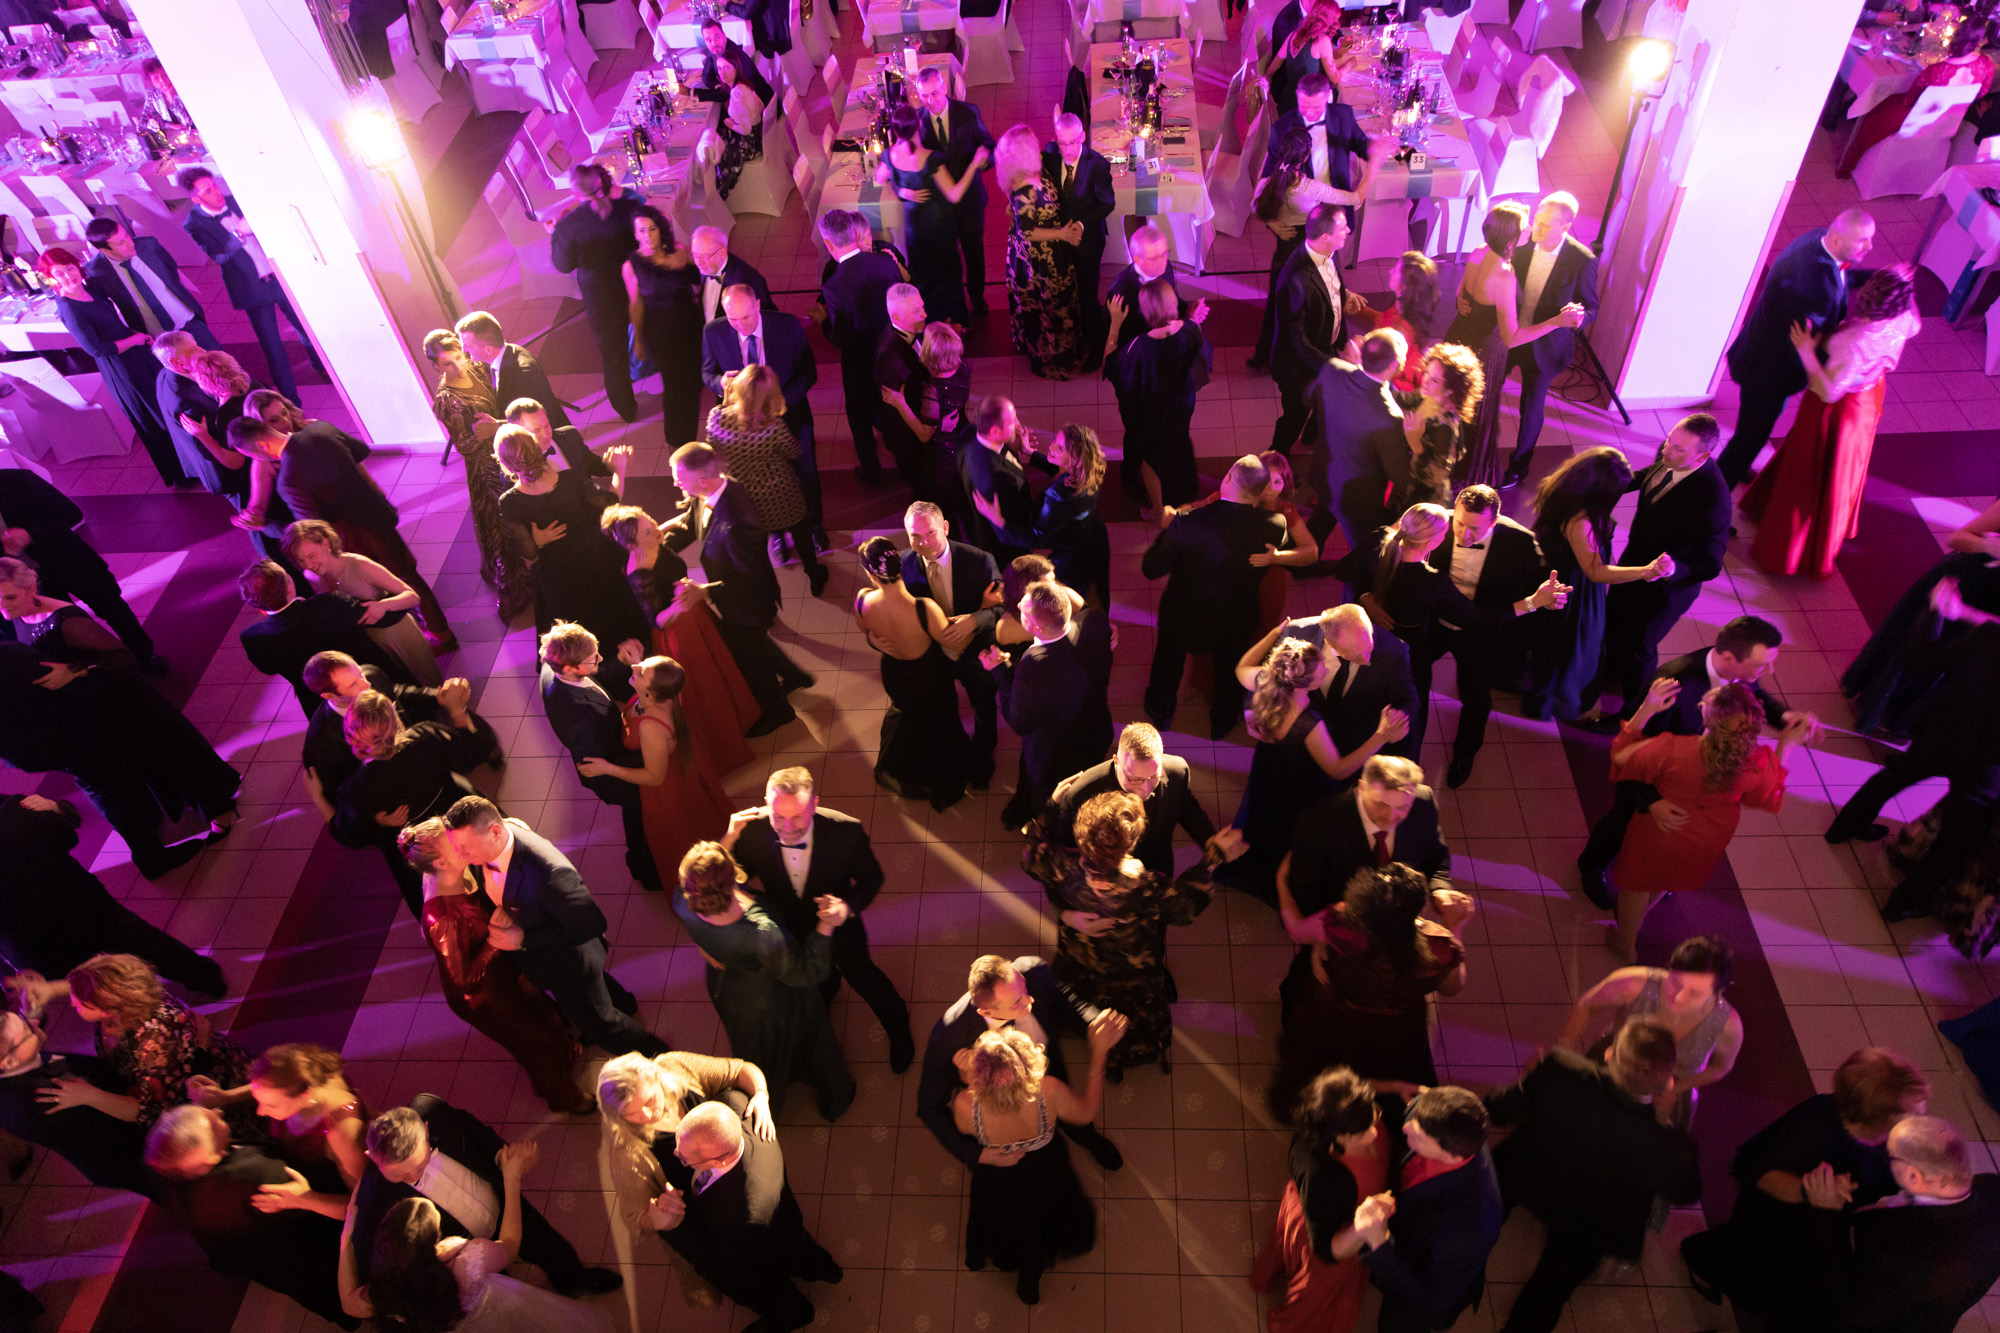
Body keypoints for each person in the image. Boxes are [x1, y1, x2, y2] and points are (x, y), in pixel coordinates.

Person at [0, 559, 245, 876]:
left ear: (31, 588)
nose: (3, 607)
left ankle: (220, 811)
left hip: (126, 705)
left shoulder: (65, 621)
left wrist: (75, 671)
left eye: (9, 597)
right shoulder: (21, 617)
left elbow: (121, 657)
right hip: (99, 709)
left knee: (172, 755)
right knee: (151, 764)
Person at [1680, 1046, 1930, 1323]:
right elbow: (1759, 1172)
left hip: (1817, 1222)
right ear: (1878, 1117)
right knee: (1752, 1265)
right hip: (1780, 1221)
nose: (1922, 1119)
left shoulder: (1887, 1137)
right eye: (1913, 1114)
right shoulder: (1814, 1127)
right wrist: (1811, 1192)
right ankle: (1704, 1267)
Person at [1483, 1019, 1702, 1333]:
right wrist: (1662, 1119)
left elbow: (1497, 1109)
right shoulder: (1667, 1147)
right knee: (1551, 1288)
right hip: (1589, 1223)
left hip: (1528, 1177)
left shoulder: (1560, 1070)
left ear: (1610, 1054)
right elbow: (1687, 1192)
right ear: (1666, 1083)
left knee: (1485, 1214)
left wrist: (1532, 1077)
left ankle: (1465, 1260)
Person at [1575, 614, 1800, 908]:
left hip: (1692, 771)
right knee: (1621, 820)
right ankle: (1591, 866)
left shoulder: (1739, 673)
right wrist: (1651, 800)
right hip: (1657, 771)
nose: (1769, 671)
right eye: (1761, 665)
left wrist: (1783, 717)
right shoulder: (1673, 683)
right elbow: (1636, 752)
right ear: (1729, 658)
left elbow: (1754, 693)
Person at [1026, 792, 1242, 1075]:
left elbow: (1030, 853)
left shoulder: (1059, 862)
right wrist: (1213, 858)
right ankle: (1126, 1050)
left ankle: (1086, 1031)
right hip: (1129, 962)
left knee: (1081, 993)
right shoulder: (1140, 884)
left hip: (1079, 950)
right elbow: (1185, 907)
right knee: (1134, 1006)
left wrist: (1052, 806)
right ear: (1130, 843)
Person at [1335, 504, 1570, 753]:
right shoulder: (1432, 582)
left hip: (1378, 642)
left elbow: (1344, 568)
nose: (1461, 534)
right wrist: (1533, 602)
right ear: (1434, 542)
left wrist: (1366, 597)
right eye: (1454, 526)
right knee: (1410, 716)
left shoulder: (1381, 541)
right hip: (1413, 652)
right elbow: (1478, 618)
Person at [723, 766, 914, 1071]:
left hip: (840, 928)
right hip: (790, 925)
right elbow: (733, 875)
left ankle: (898, 1027)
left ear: (814, 804)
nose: (787, 829)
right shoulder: (752, 829)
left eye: (797, 817)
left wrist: (846, 908)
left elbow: (871, 878)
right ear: (767, 804)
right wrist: (728, 840)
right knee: (812, 980)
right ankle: (827, 986)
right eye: (778, 817)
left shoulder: (846, 832)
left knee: (865, 978)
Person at [443, 797, 665, 1059]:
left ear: (494, 832)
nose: (460, 855)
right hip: (551, 955)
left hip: (571, 962)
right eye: (456, 847)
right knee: (600, 997)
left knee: (603, 1026)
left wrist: (523, 940)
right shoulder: (499, 836)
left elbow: (590, 926)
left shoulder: (550, 874)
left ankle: (660, 1057)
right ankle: (624, 1004)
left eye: (465, 847)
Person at [226, 403, 457, 652]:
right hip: (377, 517)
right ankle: (441, 632)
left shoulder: (289, 479)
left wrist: (264, 526)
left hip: (353, 540)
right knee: (408, 576)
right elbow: (361, 450)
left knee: (379, 589)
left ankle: (421, 635)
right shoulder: (321, 429)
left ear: (261, 446)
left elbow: (311, 530)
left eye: (252, 455)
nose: (256, 460)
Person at [396, 820, 590, 1115]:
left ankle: (562, 1058)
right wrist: (495, 939)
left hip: (498, 970)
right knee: (532, 1043)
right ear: (440, 862)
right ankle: (566, 1098)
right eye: (456, 843)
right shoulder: (442, 919)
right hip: (483, 996)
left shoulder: (456, 872)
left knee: (543, 1016)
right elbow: (463, 982)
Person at [1825, 604, 2000, 925]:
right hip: (1985, 769)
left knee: (1893, 778)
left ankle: (1846, 826)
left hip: (1940, 734)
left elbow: (1923, 660)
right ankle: (1905, 903)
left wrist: (1932, 613)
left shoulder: (1991, 634)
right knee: (1955, 840)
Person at [1744, 265, 1921, 579]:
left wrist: (1806, 351)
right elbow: (1916, 326)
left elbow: (1828, 391)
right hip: (1867, 401)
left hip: (1837, 408)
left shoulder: (1852, 341)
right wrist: (1902, 286)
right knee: (1840, 470)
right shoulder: (1902, 319)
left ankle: (1788, 548)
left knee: (1809, 467)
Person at [1606, 679, 1803, 959]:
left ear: (1709, 719)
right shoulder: (1756, 762)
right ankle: (1638, 920)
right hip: (1708, 837)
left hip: (1661, 830)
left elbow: (1621, 758)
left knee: (1637, 884)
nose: (1700, 703)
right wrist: (1786, 745)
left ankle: (1625, 944)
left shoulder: (1672, 748)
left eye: (1704, 704)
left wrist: (1646, 710)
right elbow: (1766, 798)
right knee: (1666, 878)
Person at [346, 1097, 622, 1295]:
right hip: (465, 1254)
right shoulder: (374, 1199)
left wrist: (504, 1157)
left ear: (427, 1130)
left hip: (503, 1203)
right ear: (372, 1157)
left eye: (420, 1164)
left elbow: (474, 1131)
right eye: (400, 1175)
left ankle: (576, 1280)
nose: (413, 1176)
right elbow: (371, 1261)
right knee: (506, 1294)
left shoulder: (431, 1108)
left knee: (552, 1247)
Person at [1221, 634, 1410, 904]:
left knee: (1265, 817)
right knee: (1291, 831)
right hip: (1298, 780)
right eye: (1320, 670)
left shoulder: (1266, 680)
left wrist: (1273, 635)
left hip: (1269, 769)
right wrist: (1381, 736)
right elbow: (1338, 770)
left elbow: (1241, 667)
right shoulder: (1307, 724)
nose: (1325, 669)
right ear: (1302, 687)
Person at [674, 841, 855, 1121]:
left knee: (759, 1051)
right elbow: (804, 971)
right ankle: (836, 1097)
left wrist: (703, 946)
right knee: (810, 1038)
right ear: (731, 879)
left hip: (732, 990)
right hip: (773, 996)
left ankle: (768, 1101)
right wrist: (827, 924)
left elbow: (700, 915)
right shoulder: (761, 933)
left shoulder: (685, 900)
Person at [1270, 864, 1470, 1114]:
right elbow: (1453, 987)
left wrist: (1281, 882)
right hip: (1395, 1031)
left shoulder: (1341, 922)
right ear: (1418, 910)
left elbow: (1297, 930)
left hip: (1334, 1016)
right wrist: (1453, 924)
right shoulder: (1437, 944)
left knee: (1318, 1064)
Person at [955, 1018, 1124, 1304]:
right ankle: (1028, 1284)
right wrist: (1098, 1052)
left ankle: (979, 1257)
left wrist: (966, 1074)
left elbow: (964, 1132)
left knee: (997, 1219)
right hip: (1044, 1171)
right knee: (1039, 1225)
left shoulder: (965, 1105)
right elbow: (1085, 1113)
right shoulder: (1049, 1091)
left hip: (997, 1175)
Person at [145, 1107, 357, 1330]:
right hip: (323, 1257)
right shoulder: (254, 1178)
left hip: (265, 1259)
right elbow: (346, 1205)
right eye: (212, 1123)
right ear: (208, 1156)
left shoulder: (173, 1176)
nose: (218, 1112)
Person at [1787, 1115, 2000, 1333]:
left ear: (1914, 1177)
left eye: (1891, 1156)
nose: (1885, 1155)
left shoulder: (1903, 1254)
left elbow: (1847, 1307)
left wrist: (1825, 1214)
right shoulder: (1993, 1188)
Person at [1583, 414, 1732, 725]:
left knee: (1640, 648)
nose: (1666, 450)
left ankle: (1632, 714)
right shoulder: (1670, 453)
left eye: (1677, 449)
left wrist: (1673, 568)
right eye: (1669, 441)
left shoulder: (1712, 499)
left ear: (1702, 456)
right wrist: (1603, 488)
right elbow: (1649, 478)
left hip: (1664, 590)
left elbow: (1710, 564)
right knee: (1615, 623)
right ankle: (1608, 672)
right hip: (1634, 563)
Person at [0, 794, 226, 998]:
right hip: (84, 903)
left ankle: (134, 1012)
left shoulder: (12, 812)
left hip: (37, 943)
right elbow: (68, 836)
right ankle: (204, 977)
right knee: (142, 942)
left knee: (93, 988)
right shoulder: (14, 812)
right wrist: (55, 808)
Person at [646, 1100, 843, 1332]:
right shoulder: (742, 1108)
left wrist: (674, 1226)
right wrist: (760, 1092)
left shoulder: (740, 1217)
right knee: (801, 1249)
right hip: (787, 1219)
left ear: (719, 1161)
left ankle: (798, 1314)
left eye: (684, 1158)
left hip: (759, 1250)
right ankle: (825, 1269)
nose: (676, 1153)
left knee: (770, 1292)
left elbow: (723, 1270)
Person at [917, 954, 1125, 1172]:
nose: (1029, 1001)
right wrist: (976, 1154)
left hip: (1051, 1073)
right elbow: (929, 1107)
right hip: (1002, 1105)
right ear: (986, 1012)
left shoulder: (1034, 971)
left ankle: (1088, 1139)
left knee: (1072, 1114)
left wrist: (1097, 1026)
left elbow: (1067, 1004)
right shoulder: (949, 1036)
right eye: (1017, 1001)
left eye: (1024, 989)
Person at [662, 440, 812, 735]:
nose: (675, 483)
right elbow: (693, 522)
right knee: (755, 642)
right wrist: (659, 545)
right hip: (737, 597)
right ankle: (796, 676)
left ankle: (780, 712)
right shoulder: (713, 489)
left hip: (748, 601)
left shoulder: (738, 522)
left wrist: (705, 591)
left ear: (702, 480)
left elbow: (749, 577)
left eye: (680, 478)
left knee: (750, 657)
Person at [1720, 208, 1876, 488]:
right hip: (1768, 373)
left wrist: (1877, 276)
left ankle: (1737, 466)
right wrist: (1849, 359)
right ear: (1837, 239)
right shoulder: (1813, 290)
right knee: (1750, 436)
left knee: (1752, 432)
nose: (1870, 247)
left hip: (1762, 353)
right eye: (1862, 240)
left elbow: (1839, 279)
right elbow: (1809, 343)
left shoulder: (1820, 237)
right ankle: (1715, 494)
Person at [598, 502, 759, 772]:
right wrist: (680, 604)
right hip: (680, 632)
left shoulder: (650, 540)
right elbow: (657, 620)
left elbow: (655, 534)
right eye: (648, 531)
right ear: (633, 546)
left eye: (651, 521)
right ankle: (723, 746)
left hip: (695, 615)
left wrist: (666, 526)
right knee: (706, 688)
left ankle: (740, 722)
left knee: (721, 670)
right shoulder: (638, 572)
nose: (655, 530)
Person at [10, 953, 251, 1128]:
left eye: (82, 1003)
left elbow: (149, 1112)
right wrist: (50, 989)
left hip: (211, 1092)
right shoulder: (129, 996)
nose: (72, 1002)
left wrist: (89, 1096)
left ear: (111, 1009)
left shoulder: (153, 1047)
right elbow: (98, 980)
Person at [1142, 455, 1290, 738]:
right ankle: (1222, 722)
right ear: (1260, 492)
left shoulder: (1187, 523)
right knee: (1229, 668)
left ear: (1228, 478)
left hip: (1184, 612)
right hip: (1236, 614)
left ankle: (1160, 711)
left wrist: (1168, 533)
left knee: (1168, 663)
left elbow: (1151, 568)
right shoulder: (1275, 524)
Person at [1441, 202, 1586, 491]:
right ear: (1510, 237)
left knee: (1455, 407)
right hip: (1485, 351)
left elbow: (1463, 288)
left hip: (1460, 336)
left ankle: (1445, 461)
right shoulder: (1504, 275)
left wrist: (1461, 299)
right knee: (1476, 416)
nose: (1530, 228)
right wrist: (1555, 322)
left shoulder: (1479, 251)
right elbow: (1511, 337)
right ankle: (1467, 477)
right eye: (1523, 226)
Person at [1522, 447, 1669, 722]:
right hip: (1574, 587)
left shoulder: (1562, 487)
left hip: (1562, 575)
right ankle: (1555, 701)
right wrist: (1645, 572)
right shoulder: (1581, 522)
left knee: (1558, 643)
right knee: (1574, 646)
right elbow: (1594, 571)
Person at [1415, 485, 1546, 786]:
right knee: (1412, 678)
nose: (1463, 534)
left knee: (1475, 697)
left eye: (1475, 529)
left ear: (1494, 522)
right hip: (1433, 624)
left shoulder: (1520, 542)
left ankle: (1465, 753)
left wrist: (1545, 601)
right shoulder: (1437, 524)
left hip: (1481, 630)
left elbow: (1538, 585)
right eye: (1460, 524)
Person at [339, 1189, 613, 1333]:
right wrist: (511, 1180)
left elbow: (348, 1304)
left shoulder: (386, 1291)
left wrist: (345, 1241)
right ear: (434, 1239)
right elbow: (511, 1245)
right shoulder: (470, 1260)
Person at [494, 423, 649, 671]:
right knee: (615, 613)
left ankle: (598, 672)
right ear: (536, 449)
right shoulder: (570, 479)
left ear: (506, 465)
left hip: (559, 581)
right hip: (595, 562)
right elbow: (611, 505)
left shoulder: (509, 502)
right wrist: (619, 468)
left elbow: (529, 555)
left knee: (581, 634)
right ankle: (637, 663)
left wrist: (538, 541)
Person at [1250, 1066, 1393, 1333]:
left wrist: (1396, 1087)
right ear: (1336, 1136)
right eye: (1362, 1133)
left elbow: (1362, 1085)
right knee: (1313, 1297)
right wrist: (1363, 1228)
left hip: (1345, 1216)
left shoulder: (1340, 1112)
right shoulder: (1322, 1178)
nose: (1373, 1134)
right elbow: (1326, 1251)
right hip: (1337, 1235)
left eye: (1374, 1119)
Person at [1354, 1085, 1506, 1333]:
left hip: (1416, 1281)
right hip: (1407, 1231)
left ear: (1452, 1155)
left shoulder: (1472, 1224)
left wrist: (1380, 1244)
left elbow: (1432, 1304)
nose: (1406, 1128)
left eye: (1419, 1136)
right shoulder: (1431, 1116)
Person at [1559, 934, 1742, 1131]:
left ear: (1718, 993)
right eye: (1675, 982)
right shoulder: (1636, 982)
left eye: (1695, 993)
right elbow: (1588, 1005)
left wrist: (1677, 1088)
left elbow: (1721, 1068)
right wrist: (1564, 1047)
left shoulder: (1728, 1026)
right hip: (1615, 1067)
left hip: (1668, 1095)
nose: (1679, 998)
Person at [538, 621, 670, 895]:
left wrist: (620, 661)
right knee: (638, 815)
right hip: (611, 771)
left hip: (611, 750)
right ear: (569, 668)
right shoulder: (580, 720)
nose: (600, 658)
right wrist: (652, 758)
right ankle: (646, 871)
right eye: (593, 658)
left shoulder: (553, 668)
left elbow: (593, 682)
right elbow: (600, 762)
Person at [178, 169, 324, 402]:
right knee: (274, 349)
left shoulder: (236, 200)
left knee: (305, 326)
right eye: (208, 191)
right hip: (252, 288)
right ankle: (292, 402)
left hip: (278, 276)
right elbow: (219, 255)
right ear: (196, 199)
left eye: (215, 185)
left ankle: (320, 364)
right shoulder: (194, 224)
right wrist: (239, 232)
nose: (217, 192)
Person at [44, 246, 183, 486]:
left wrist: (137, 337)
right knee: (154, 418)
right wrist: (134, 340)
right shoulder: (69, 308)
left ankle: (189, 461)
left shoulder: (89, 289)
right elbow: (96, 349)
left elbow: (113, 324)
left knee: (166, 406)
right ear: (51, 279)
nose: (68, 276)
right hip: (122, 367)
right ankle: (180, 474)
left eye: (69, 268)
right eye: (60, 274)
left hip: (135, 352)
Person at [982, 579, 1114, 830]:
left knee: (1055, 802)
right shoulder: (1095, 621)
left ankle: (1052, 832)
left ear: (1036, 628)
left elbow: (1020, 722)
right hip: (1096, 731)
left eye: (1023, 609)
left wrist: (1000, 669)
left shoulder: (1033, 669)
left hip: (1055, 755)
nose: (1018, 606)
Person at [853, 536, 973, 809]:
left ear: (871, 574)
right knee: (939, 724)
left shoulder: (863, 600)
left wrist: (874, 641)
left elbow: (866, 631)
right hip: (928, 678)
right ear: (900, 565)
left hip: (895, 675)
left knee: (910, 717)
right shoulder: (924, 608)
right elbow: (956, 642)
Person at [0, 466, 160, 669]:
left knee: (113, 608)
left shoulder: (17, 480)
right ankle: (95, 671)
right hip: (28, 580)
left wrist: (30, 534)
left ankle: (144, 655)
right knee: (63, 630)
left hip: (70, 560)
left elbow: (71, 513)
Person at [418, 328, 530, 619]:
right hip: (487, 467)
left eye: (458, 357)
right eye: (447, 363)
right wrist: (481, 435)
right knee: (502, 524)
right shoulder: (446, 400)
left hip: (508, 449)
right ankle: (513, 591)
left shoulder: (479, 368)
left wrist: (497, 426)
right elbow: (464, 446)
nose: (457, 366)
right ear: (436, 367)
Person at [186, 1042, 368, 1219]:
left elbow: (364, 1205)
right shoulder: (298, 1073)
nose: (260, 1111)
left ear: (306, 1095)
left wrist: (305, 1200)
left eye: (271, 1105)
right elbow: (268, 1088)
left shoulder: (343, 1133)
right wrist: (226, 1097)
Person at [1252, 131, 1381, 375]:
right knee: (1320, 305)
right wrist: (1372, 167)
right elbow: (1356, 199)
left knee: (1282, 309)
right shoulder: (1311, 189)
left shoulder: (1267, 183)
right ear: (1305, 158)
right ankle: (1317, 356)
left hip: (1284, 253)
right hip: (1310, 247)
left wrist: (1272, 222)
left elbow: (1255, 205)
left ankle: (1276, 357)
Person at [1278, 754, 1453, 931]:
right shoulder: (1317, 824)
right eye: (1382, 805)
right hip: (1347, 928)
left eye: (1402, 807)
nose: (1391, 818)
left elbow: (1436, 855)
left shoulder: (1423, 802)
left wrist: (1440, 889)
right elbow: (1305, 890)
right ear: (1362, 788)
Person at [1496, 192, 1599, 489]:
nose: (1535, 228)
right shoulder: (1522, 243)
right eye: (1536, 220)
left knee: (1531, 409)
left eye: (1544, 224)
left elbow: (1591, 306)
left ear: (1565, 227)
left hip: (1546, 344)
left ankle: (1519, 466)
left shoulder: (1582, 261)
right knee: (1487, 390)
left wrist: (1579, 316)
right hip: (1511, 333)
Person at [702, 359, 828, 597]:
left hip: (745, 495)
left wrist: (726, 403)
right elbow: (794, 451)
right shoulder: (773, 426)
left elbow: (712, 444)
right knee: (800, 531)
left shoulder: (718, 418)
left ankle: (770, 576)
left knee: (759, 538)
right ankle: (815, 575)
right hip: (781, 492)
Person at [0, 996, 151, 1193]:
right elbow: (129, 1118)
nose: (35, 1024)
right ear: (8, 1062)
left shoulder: (16, 1066)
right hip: (133, 1155)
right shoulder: (44, 1099)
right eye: (28, 1030)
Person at [900, 499, 1002, 782]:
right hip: (933, 654)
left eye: (931, 532)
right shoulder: (903, 564)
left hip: (975, 651)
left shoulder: (980, 560)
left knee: (983, 706)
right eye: (915, 536)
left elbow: (1003, 608)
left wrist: (974, 620)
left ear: (945, 527)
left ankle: (983, 755)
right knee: (942, 707)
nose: (924, 543)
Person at [1042, 722, 1216, 879]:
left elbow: (1186, 807)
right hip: (1109, 882)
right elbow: (1064, 847)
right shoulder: (1082, 793)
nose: (1145, 789)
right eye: (1134, 779)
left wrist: (1209, 839)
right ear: (1116, 761)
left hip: (1158, 868)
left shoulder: (1177, 771)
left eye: (1154, 777)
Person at [282, 517, 439, 687]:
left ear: (325, 544)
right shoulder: (311, 576)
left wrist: (383, 605)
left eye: (312, 556)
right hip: (371, 647)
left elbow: (412, 596)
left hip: (399, 635)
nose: (309, 565)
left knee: (429, 684)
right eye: (301, 561)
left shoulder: (360, 565)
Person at [240, 563, 400, 721]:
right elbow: (385, 617)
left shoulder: (253, 638)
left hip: (323, 709)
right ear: (288, 587)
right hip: (374, 685)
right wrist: (402, 593)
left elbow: (268, 669)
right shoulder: (330, 603)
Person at [1106, 277, 1212, 514]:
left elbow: (1111, 365)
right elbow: (1197, 353)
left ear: (1145, 311)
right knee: (1177, 442)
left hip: (1151, 414)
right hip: (1182, 405)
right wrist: (1193, 318)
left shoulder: (1138, 347)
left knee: (1151, 459)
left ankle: (1157, 509)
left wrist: (1115, 323)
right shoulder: (1190, 329)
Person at [549, 163, 645, 421]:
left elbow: (563, 265)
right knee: (654, 333)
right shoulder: (629, 209)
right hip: (637, 287)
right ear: (602, 183)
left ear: (575, 193)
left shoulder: (568, 226)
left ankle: (626, 409)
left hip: (601, 299)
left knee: (613, 355)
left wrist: (555, 234)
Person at [1303, 326, 1409, 554]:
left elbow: (1308, 398)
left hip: (1325, 476)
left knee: (1319, 524)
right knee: (1365, 549)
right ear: (1393, 365)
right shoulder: (1389, 416)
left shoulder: (1333, 368)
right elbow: (1399, 474)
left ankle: (1301, 563)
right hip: (1358, 499)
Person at [818, 210, 904, 485]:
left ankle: (871, 469)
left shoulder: (834, 285)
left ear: (829, 243)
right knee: (894, 408)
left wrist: (823, 322)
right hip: (893, 351)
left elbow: (841, 337)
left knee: (858, 415)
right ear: (854, 234)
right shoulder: (885, 263)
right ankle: (904, 457)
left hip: (860, 363)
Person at [1838, 24, 1995, 175]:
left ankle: (1851, 160)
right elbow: (1981, 93)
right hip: (1948, 122)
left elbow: (1910, 98)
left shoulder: (1936, 69)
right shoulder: (1987, 64)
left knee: (1880, 110)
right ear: (1981, 41)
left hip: (1918, 120)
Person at [1274, 206, 1367, 459]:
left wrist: (1343, 295)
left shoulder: (1328, 252)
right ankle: (1277, 460)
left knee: (1325, 404)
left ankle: (1311, 436)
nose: (1348, 230)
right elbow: (1297, 341)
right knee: (1294, 417)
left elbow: (1327, 285)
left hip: (1326, 347)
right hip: (1300, 365)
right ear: (1325, 237)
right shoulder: (1295, 279)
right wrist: (1334, 367)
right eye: (1342, 228)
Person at [878, 104, 978, 325]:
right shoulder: (931, 158)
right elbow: (954, 194)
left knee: (923, 277)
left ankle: (929, 322)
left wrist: (901, 191)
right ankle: (956, 323)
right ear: (919, 125)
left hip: (914, 229)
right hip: (939, 228)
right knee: (948, 277)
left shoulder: (889, 156)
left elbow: (879, 179)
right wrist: (974, 165)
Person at [997, 123, 1083, 378]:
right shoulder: (1024, 188)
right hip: (1039, 260)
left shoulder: (1033, 166)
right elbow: (1027, 232)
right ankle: (1053, 357)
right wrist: (1063, 234)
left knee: (1057, 303)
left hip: (1046, 251)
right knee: (1051, 305)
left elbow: (1012, 212)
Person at [916, 66, 997, 317]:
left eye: (934, 93)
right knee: (945, 258)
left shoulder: (969, 113)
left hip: (969, 201)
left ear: (944, 88)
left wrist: (983, 160)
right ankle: (953, 307)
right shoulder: (916, 121)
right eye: (924, 96)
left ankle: (977, 296)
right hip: (938, 206)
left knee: (974, 253)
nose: (930, 101)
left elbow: (990, 148)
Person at [81, 216, 219, 358]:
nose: (130, 243)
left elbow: (171, 271)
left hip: (188, 322)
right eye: (121, 242)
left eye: (126, 235)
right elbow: (105, 306)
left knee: (218, 360)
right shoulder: (96, 271)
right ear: (105, 250)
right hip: (156, 339)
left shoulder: (149, 246)